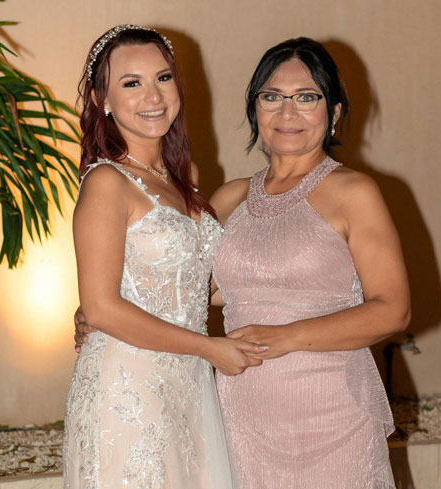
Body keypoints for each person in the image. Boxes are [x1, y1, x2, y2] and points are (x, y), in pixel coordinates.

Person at [76, 36, 410, 489]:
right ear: (254, 109)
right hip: (238, 414)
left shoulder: (356, 192)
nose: (287, 113)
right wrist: (98, 308)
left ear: (333, 113)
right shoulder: (229, 197)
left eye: (306, 97)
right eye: (272, 97)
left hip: (330, 410)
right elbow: (187, 282)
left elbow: (393, 310)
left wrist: (286, 338)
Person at [64, 24, 264, 489]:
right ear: (102, 101)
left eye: (163, 78)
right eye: (131, 83)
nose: (153, 96)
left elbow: (197, 287)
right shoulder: (106, 183)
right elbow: (100, 307)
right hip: (127, 388)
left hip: (186, 382)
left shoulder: (184, 177)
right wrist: (210, 348)